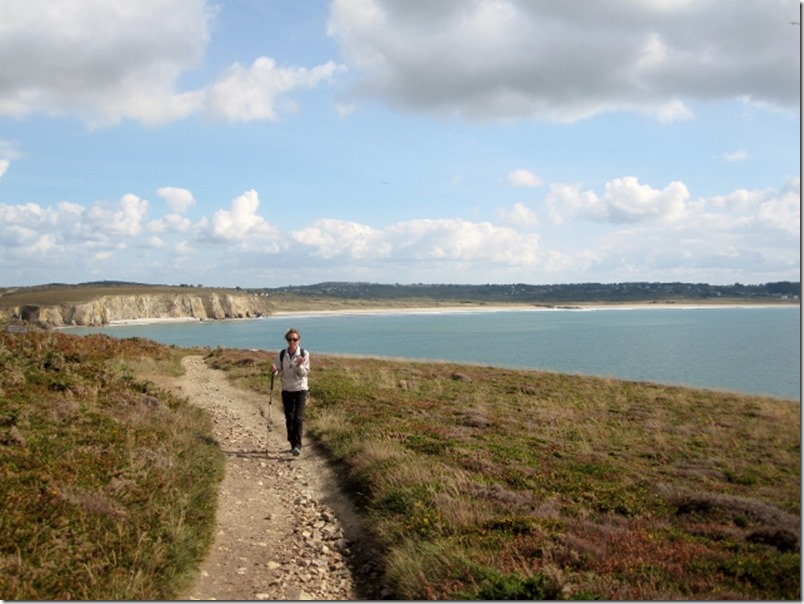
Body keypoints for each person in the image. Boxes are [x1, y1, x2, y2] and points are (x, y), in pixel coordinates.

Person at [271, 328, 310, 456]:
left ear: (299, 340)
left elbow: (304, 374)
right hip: (286, 389)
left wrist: (299, 366)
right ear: (286, 340)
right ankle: (292, 442)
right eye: (289, 339)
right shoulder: (282, 354)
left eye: (295, 339)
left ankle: (297, 445)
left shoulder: (304, 354)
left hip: (300, 389)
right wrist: (274, 371)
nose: (292, 341)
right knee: (289, 417)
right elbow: (277, 369)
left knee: (298, 418)